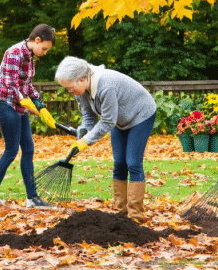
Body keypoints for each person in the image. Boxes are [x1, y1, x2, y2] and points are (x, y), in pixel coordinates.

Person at [54, 56, 156, 223]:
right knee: (119, 164)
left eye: (71, 88)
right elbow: (88, 116)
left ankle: (135, 217)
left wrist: (86, 142)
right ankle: (121, 215)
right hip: (120, 120)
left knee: (133, 163)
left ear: (82, 78)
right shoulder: (81, 90)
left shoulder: (106, 86)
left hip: (141, 115)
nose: (70, 91)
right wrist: (83, 133)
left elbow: (108, 121)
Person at [0, 24, 56, 209]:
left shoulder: (30, 57)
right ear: (37, 40)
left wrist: (40, 105)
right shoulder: (14, 52)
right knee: (11, 151)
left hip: (18, 104)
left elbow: (27, 85)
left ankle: (32, 198)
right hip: (4, 102)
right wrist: (26, 103)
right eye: (45, 48)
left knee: (29, 149)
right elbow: (10, 84)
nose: (45, 53)